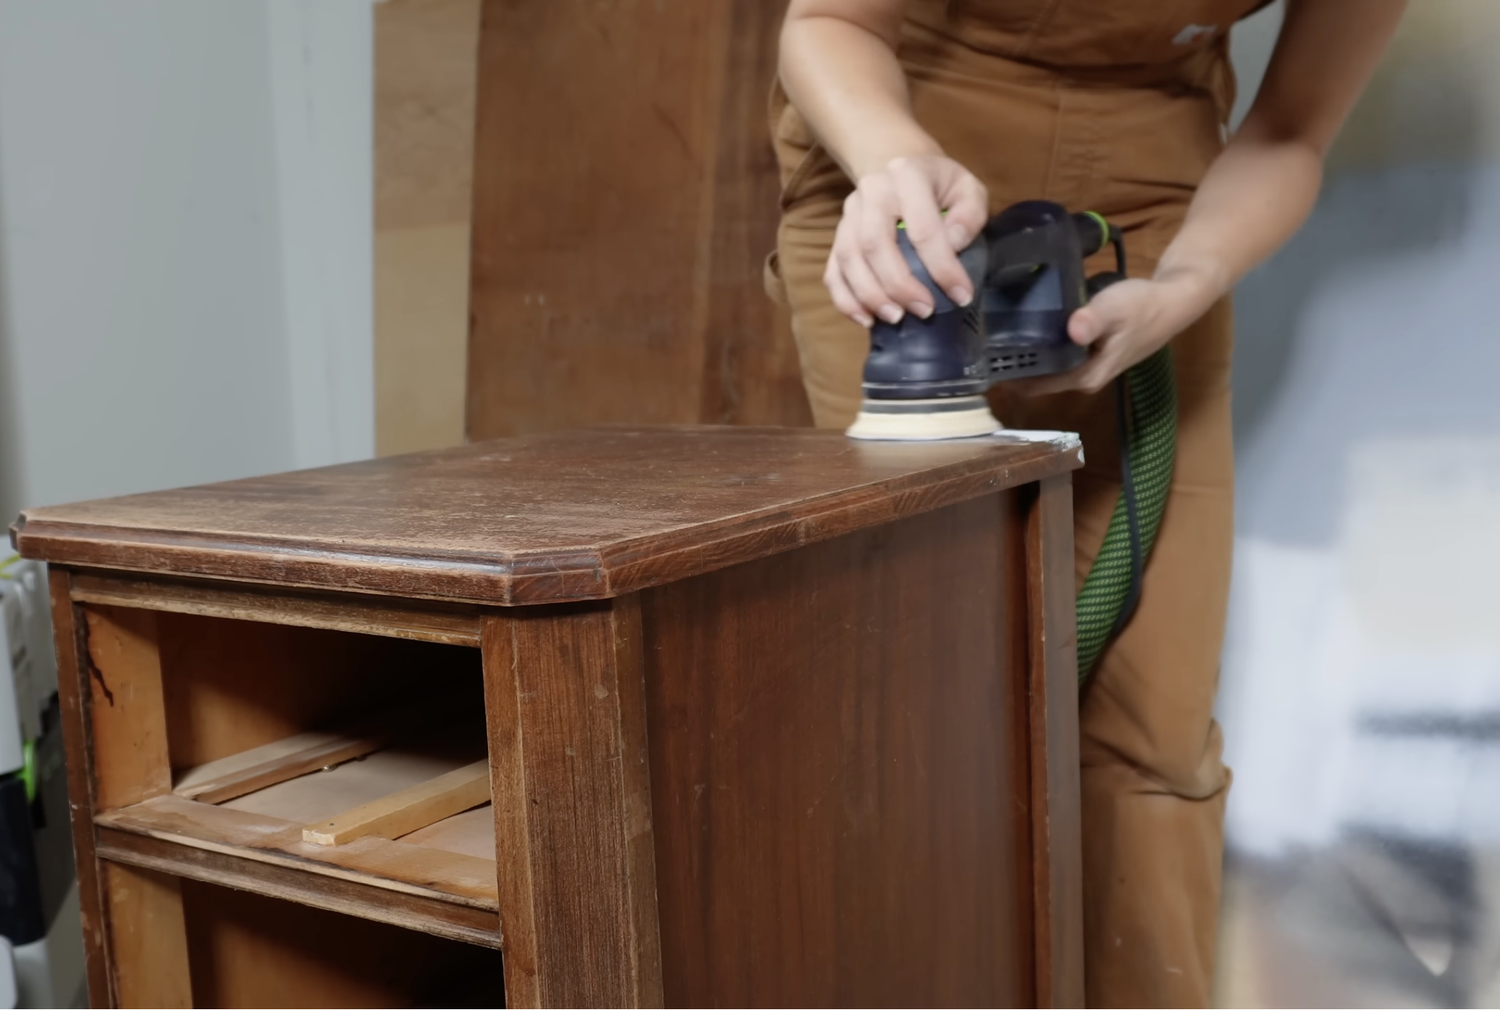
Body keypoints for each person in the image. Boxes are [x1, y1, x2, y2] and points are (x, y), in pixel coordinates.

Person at [765, 1, 1405, 1005]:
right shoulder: (897, 175)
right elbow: (833, 20)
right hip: (909, 184)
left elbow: (1289, 130)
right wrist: (890, 161)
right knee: (921, 712)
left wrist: (1189, 282)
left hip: (1153, 207)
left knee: (1147, 730)